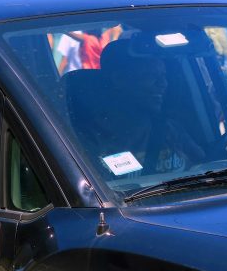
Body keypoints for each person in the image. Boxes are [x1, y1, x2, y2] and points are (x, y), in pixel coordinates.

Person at [74, 40, 205, 177]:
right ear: (119, 79)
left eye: (163, 76)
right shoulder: (91, 138)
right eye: (151, 75)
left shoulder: (168, 128)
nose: (163, 84)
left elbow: (204, 165)